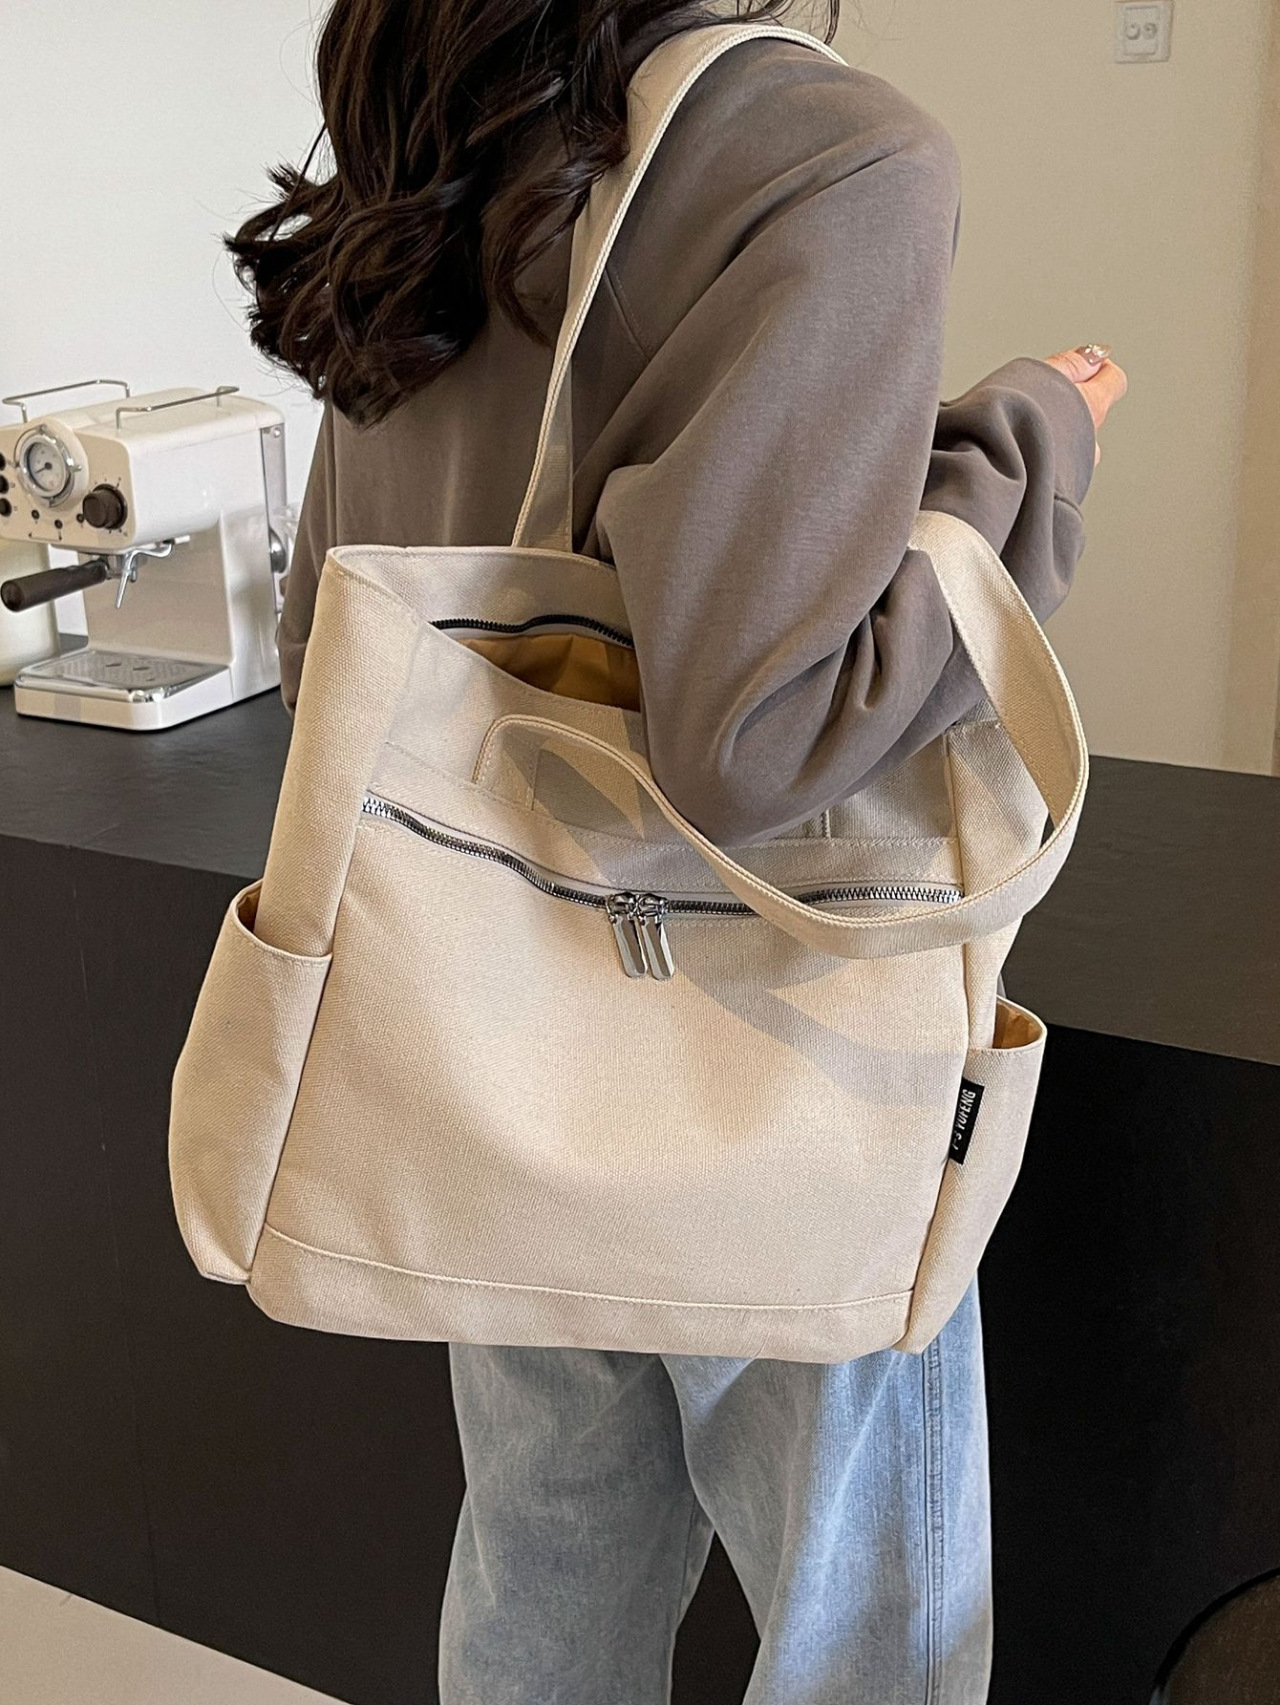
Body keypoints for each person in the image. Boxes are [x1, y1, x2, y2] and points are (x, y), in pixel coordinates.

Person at [229, 2, 1128, 1699]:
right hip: (779, 1044)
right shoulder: (832, 155)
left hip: (489, 1042)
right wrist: (1028, 442)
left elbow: (324, 648)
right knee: (865, 1635)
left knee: (545, 1556)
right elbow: (762, 737)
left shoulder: (445, 135)